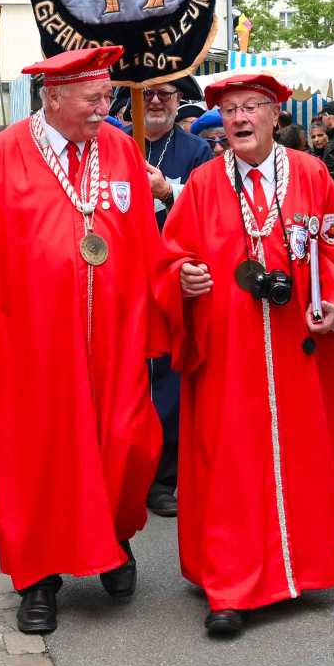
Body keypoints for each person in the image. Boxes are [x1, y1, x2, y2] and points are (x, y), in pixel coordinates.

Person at [0, 46, 163, 636]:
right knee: (35, 459)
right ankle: (37, 579)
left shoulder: (120, 150)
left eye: (108, 96)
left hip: (114, 340)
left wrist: (160, 305)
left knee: (125, 442)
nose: (105, 108)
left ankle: (114, 540)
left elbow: (143, 241)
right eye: (94, 98)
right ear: (53, 98)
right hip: (30, 344)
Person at [155, 72, 334, 638]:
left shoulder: (311, 174)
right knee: (230, 463)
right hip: (227, 351)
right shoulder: (203, 184)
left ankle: (299, 569)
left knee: (300, 455)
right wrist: (183, 277)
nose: (240, 118)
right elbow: (169, 256)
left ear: (277, 115)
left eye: (252, 106)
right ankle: (230, 584)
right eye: (231, 109)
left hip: (296, 347)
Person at [131, 77, 212, 518]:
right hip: (120, 280)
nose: (157, 100)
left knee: (166, 380)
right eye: (148, 93)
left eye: (166, 93)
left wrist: (166, 193)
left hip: (170, 279)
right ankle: (124, 472)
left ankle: (162, 478)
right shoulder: (114, 144)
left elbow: (207, 212)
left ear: (180, 100)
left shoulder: (196, 152)